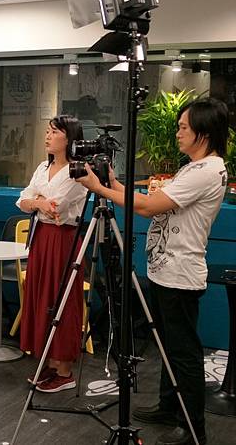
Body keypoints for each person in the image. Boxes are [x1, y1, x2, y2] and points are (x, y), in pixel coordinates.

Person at [77, 98, 229, 445]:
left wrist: (98, 189)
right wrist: (113, 183)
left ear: (204, 133)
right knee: (167, 346)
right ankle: (168, 406)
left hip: (180, 274)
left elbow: (147, 207)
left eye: (183, 127)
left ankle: (193, 427)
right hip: (166, 270)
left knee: (183, 352)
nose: (178, 133)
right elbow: (151, 200)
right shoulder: (195, 167)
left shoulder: (205, 171)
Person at [16, 115, 88, 392]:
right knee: (40, 297)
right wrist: (38, 203)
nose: (47, 136)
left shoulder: (77, 171)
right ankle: (49, 360)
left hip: (63, 240)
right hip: (41, 236)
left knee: (62, 300)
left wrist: (37, 202)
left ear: (69, 138)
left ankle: (65, 370)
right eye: (47, 131)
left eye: (54, 132)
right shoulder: (42, 167)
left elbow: (57, 206)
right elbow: (23, 199)